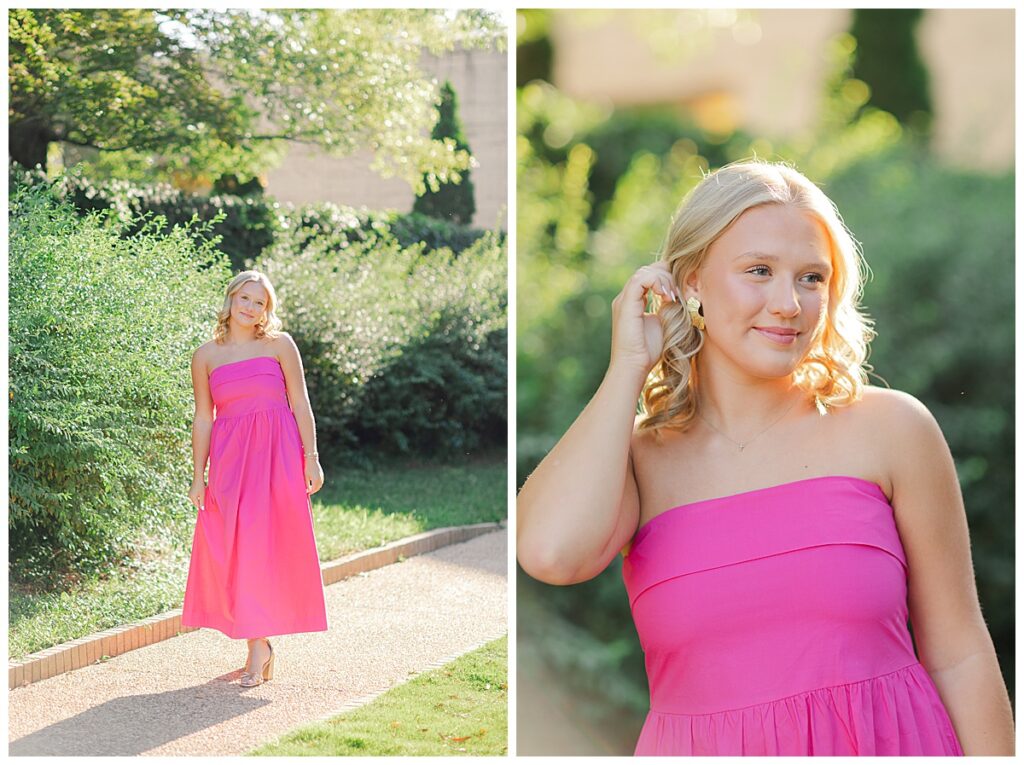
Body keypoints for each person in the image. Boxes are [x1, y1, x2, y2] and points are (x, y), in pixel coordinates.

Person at [516, 160, 1013, 755]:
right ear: (692, 282)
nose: (789, 304)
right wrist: (628, 366)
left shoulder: (892, 429)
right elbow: (549, 553)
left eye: (811, 278)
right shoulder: (640, 459)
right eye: (758, 271)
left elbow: (959, 654)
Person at [182, 270, 328, 687]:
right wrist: (198, 475)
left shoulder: (280, 345)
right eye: (244, 298)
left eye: (259, 302)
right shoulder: (205, 355)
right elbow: (203, 417)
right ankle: (256, 642)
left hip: (277, 456)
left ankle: (257, 646)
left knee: (264, 546)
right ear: (230, 300)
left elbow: (300, 403)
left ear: (267, 309)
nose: (250, 307)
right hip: (230, 462)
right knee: (234, 547)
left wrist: (311, 458)